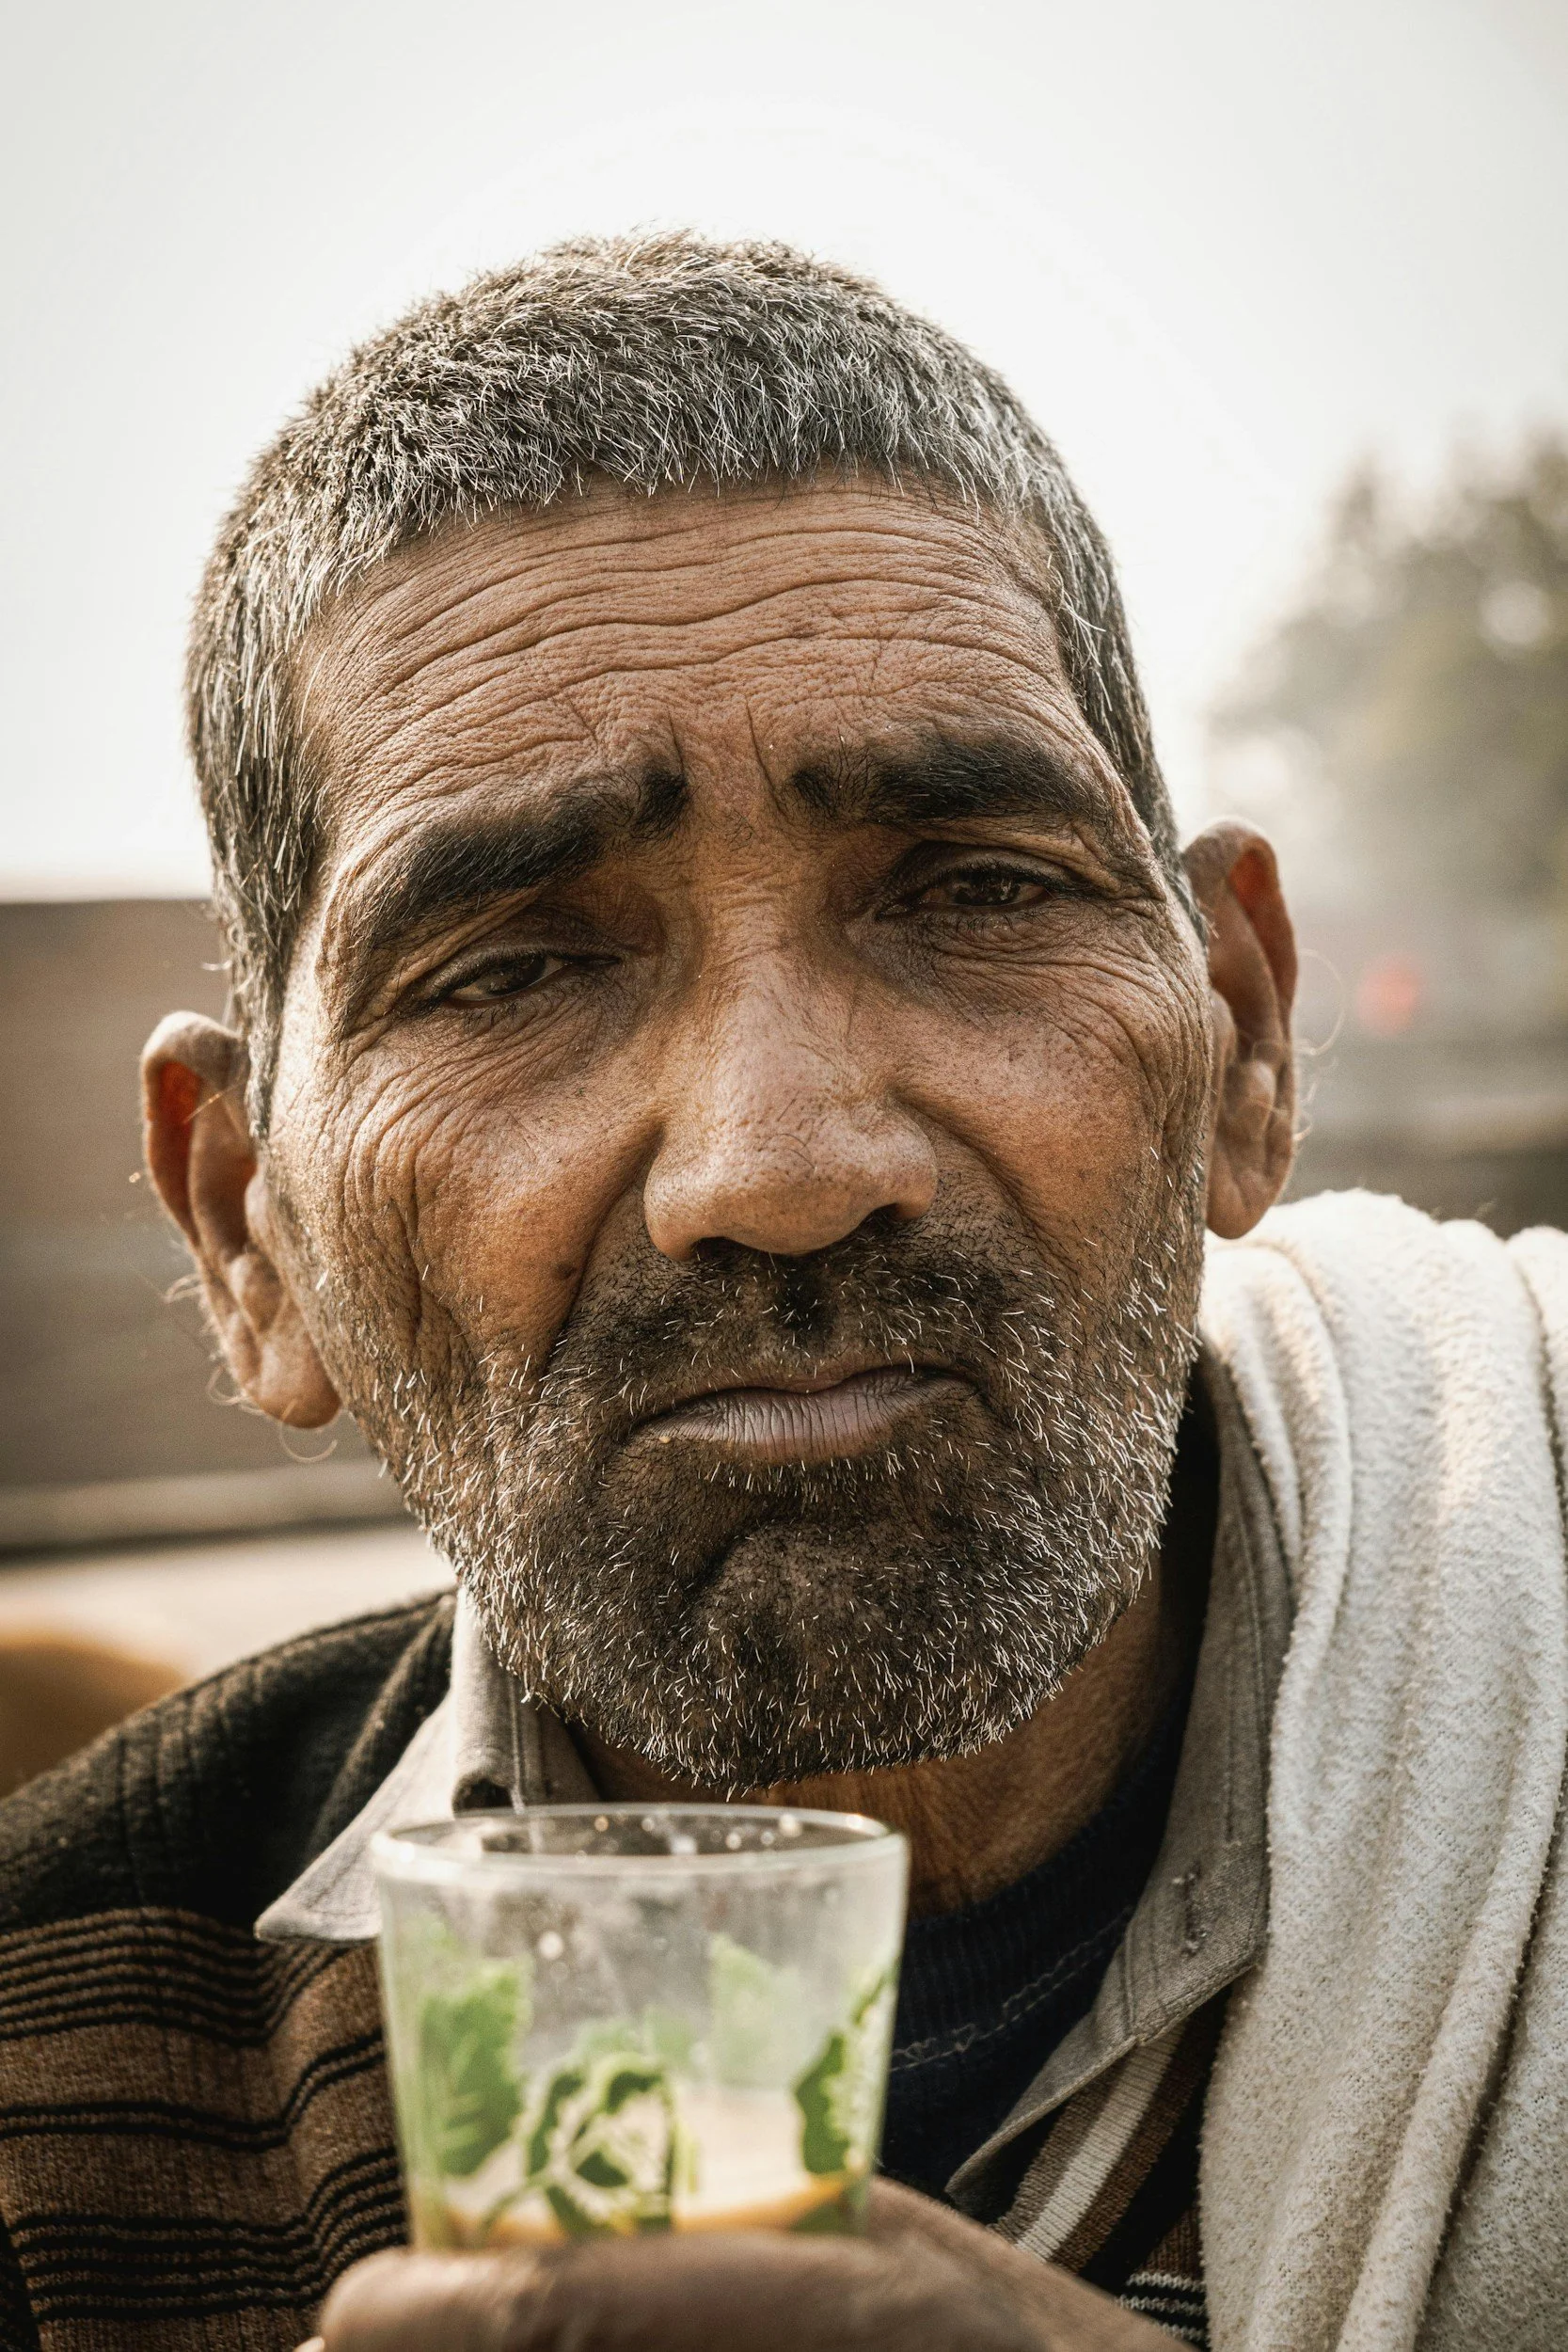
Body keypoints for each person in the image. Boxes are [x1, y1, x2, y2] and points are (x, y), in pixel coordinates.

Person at [1, 236, 1564, 2352]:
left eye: (976, 890)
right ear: (246, 1228)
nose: (785, 1164)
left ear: (1240, 1040)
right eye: (514, 970)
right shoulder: (55, 2052)